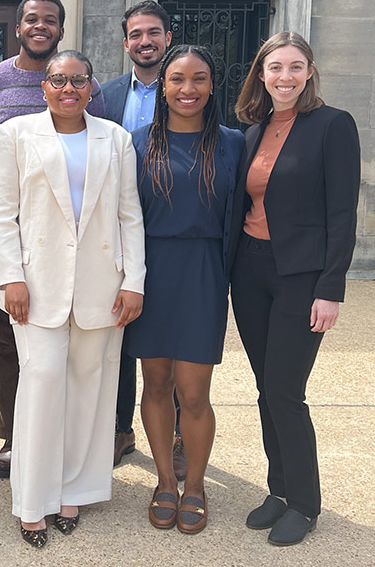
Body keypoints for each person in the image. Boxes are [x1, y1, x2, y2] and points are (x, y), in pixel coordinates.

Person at [0, 50, 145, 547]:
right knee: (41, 383)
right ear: (44, 87)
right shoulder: (15, 135)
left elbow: (129, 216)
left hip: (102, 283)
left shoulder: (115, 139)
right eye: (59, 80)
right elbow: (2, 213)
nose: (68, 89)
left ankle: (73, 487)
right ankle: (33, 501)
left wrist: (133, 280)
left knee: (87, 386)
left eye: (78, 80)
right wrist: (11, 276)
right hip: (37, 286)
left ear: (91, 87)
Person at [229, 32, 360, 546]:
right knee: (266, 387)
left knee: (286, 389)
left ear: (309, 72)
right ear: (261, 74)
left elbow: (342, 211)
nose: (285, 76)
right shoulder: (252, 130)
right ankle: (279, 490)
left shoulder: (332, 125)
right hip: (251, 271)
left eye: (295, 66)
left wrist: (332, 287)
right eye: (275, 67)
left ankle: (305, 502)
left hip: (301, 279)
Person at [0, 0, 105, 479]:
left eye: (49, 20)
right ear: (18, 27)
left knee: (66, 351)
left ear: (60, 27)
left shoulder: (80, 83)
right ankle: (13, 437)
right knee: (7, 342)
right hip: (9, 231)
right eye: (31, 19)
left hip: (70, 245)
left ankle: (63, 441)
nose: (40, 27)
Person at [123, 44, 244, 534]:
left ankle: (195, 484)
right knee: (155, 383)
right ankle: (165, 483)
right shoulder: (135, 142)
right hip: (149, 273)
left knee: (193, 392)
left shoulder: (235, 142)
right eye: (177, 79)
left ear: (212, 84)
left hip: (203, 273)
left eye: (198, 79)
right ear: (163, 85)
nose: (187, 89)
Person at [101, 0, 177, 471]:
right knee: (119, 332)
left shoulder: (190, 89)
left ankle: (177, 431)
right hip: (114, 231)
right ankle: (119, 429)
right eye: (135, 34)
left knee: (169, 332)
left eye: (153, 32)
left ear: (167, 37)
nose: (144, 41)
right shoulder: (104, 95)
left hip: (170, 231)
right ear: (125, 42)